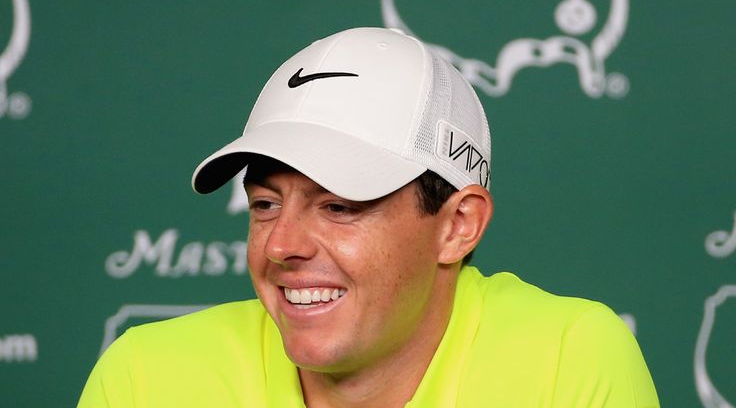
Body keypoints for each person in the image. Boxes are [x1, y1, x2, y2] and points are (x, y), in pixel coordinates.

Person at [78, 27, 659, 407]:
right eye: (265, 204)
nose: (281, 245)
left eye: (339, 206)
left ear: (457, 226)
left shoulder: (567, 361)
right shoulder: (146, 379)